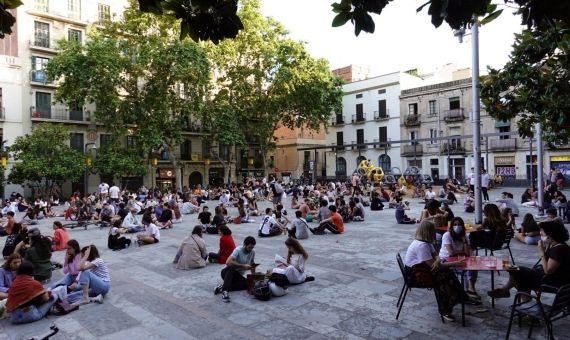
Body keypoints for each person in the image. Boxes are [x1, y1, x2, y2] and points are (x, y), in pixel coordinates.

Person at [404, 220, 477, 322]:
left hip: (423, 270)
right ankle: (448, 307)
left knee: (447, 274)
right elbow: (436, 266)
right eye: (433, 230)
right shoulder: (422, 246)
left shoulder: (426, 243)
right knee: (444, 280)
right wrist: (456, 263)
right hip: (415, 276)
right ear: (428, 231)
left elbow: (436, 257)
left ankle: (459, 298)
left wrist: (438, 260)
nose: (435, 233)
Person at [488, 220, 570, 299]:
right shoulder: (558, 245)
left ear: (551, 235)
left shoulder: (558, 250)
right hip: (553, 279)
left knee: (518, 272)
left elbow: (548, 271)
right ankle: (506, 290)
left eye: (543, 232)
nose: (540, 234)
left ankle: (515, 295)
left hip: (552, 282)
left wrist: (541, 252)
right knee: (516, 271)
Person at [439, 217, 479, 299]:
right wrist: (462, 252)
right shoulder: (447, 235)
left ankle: (470, 288)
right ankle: (467, 292)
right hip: (446, 260)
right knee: (464, 268)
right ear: (452, 226)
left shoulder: (464, 236)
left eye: (459, 225)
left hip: (460, 259)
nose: (457, 226)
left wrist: (464, 241)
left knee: (473, 267)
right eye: (455, 225)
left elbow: (467, 253)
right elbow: (451, 253)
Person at [214, 236, 257, 303]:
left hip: (238, 276)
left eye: (252, 247)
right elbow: (228, 262)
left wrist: (253, 276)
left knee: (248, 284)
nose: (250, 249)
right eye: (249, 247)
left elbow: (252, 263)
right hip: (227, 273)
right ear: (244, 245)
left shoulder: (252, 252)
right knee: (231, 266)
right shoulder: (238, 250)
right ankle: (225, 292)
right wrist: (243, 266)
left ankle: (221, 288)